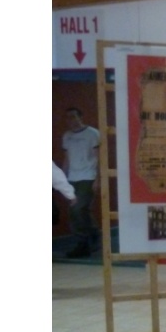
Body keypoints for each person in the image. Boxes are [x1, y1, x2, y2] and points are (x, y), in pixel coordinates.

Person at [62, 107, 100, 258]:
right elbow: (67, 159)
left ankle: (82, 243)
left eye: (73, 116)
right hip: (72, 178)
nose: (71, 120)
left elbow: (98, 157)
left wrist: (98, 178)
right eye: (68, 118)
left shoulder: (93, 134)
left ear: (80, 117)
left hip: (88, 176)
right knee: (82, 211)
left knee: (76, 209)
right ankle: (94, 234)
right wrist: (62, 179)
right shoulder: (66, 136)